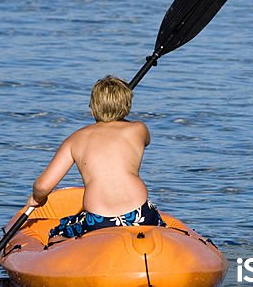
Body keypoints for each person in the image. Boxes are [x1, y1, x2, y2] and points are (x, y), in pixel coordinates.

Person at [25, 76, 167, 240]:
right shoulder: (138, 129)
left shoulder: (76, 139)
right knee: (162, 226)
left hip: (99, 221)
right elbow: (146, 141)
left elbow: (43, 186)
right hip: (141, 215)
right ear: (127, 107)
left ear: (92, 109)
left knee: (58, 233)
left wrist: (37, 199)